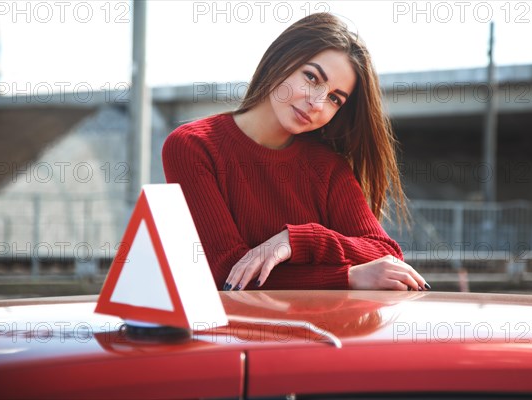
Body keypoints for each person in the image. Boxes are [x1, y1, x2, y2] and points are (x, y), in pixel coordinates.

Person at [162, 12, 430, 292]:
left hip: (327, 334)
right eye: (312, 78)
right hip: (236, 333)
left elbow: (384, 253)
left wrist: (297, 241)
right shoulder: (194, 147)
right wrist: (347, 277)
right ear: (282, 58)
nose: (317, 103)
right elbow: (229, 273)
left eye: (334, 99)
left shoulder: (327, 167)